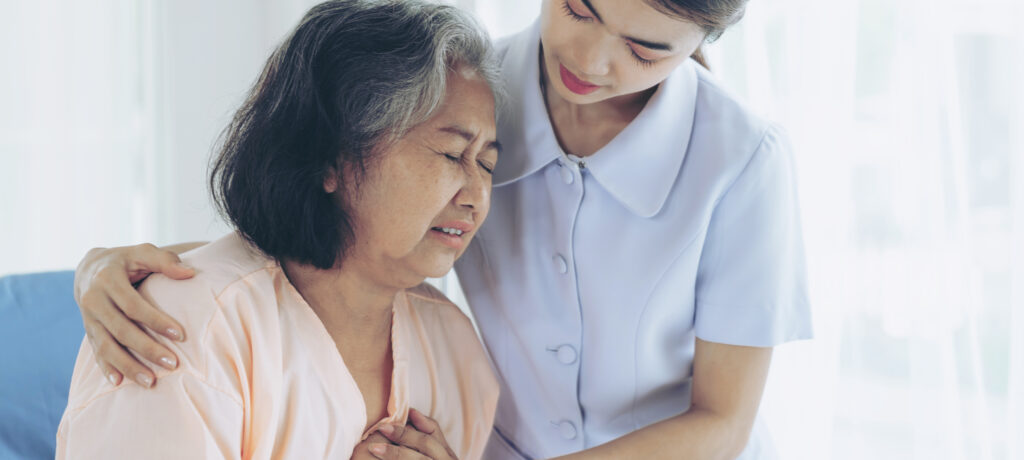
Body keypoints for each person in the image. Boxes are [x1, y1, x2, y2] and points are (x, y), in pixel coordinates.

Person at [72, 0, 813, 458]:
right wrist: (105, 267)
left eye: (647, 47)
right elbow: (312, 204)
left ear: (701, 45)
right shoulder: (467, 86)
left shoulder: (741, 161)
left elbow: (722, 421)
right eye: (580, 7)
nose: (590, 60)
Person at [57, 1, 503, 458]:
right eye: (452, 155)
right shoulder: (179, 330)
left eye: (487, 163)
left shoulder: (453, 348)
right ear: (332, 158)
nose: (476, 195)